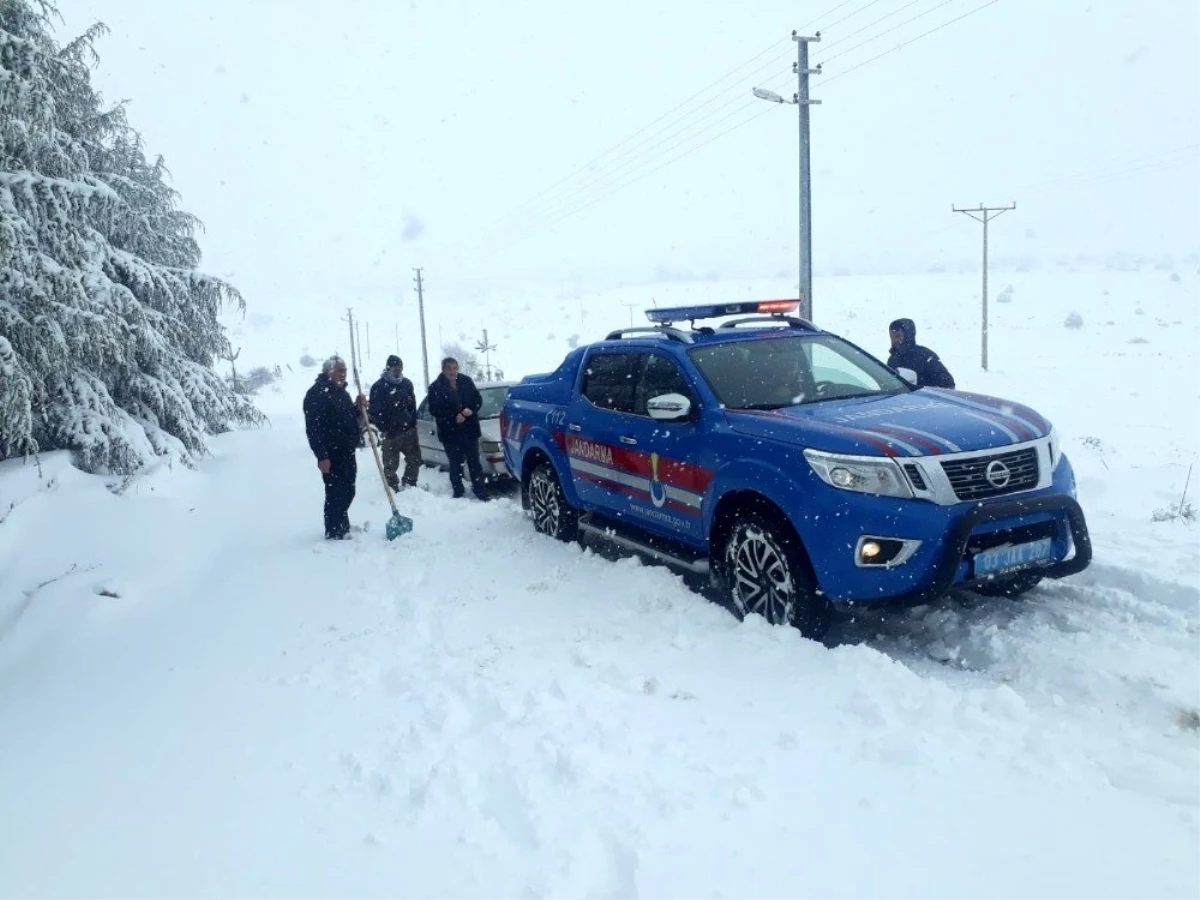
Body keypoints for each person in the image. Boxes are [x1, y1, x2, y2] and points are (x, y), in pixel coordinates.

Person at [303, 355, 368, 539]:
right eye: (340, 370)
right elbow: (313, 429)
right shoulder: (316, 394)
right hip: (331, 454)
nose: (343, 374)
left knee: (348, 489)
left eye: (345, 370)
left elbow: (347, 417)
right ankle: (334, 531)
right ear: (328, 372)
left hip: (347, 450)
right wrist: (322, 456)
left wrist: (358, 407)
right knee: (335, 492)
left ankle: (342, 524)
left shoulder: (341, 393)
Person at [426, 356, 488, 500]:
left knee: (475, 464)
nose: (452, 371)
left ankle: (480, 491)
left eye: (454, 368)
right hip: (450, 433)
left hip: (470, 430)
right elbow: (434, 410)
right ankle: (458, 492)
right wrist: (454, 417)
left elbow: (477, 399)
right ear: (443, 370)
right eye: (449, 368)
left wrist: (471, 410)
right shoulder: (435, 387)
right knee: (455, 465)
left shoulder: (466, 381)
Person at [368, 354, 422, 492]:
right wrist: (384, 426)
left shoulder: (407, 384)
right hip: (390, 433)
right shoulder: (378, 387)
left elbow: (412, 405)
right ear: (388, 368)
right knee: (390, 464)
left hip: (408, 430)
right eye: (394, 368)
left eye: (399, 367)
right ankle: (392, 487)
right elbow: (374, 411)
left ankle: (410, 484)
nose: (397, 370)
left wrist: (412, 423)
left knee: (414, 459)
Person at [887, 318, 956, 389]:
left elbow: (948, 383)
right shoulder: (892, 360)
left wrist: (924, 391)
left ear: (908, 336)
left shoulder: (926, 356)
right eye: (892, 337)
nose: (895, 340)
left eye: (898, 336)